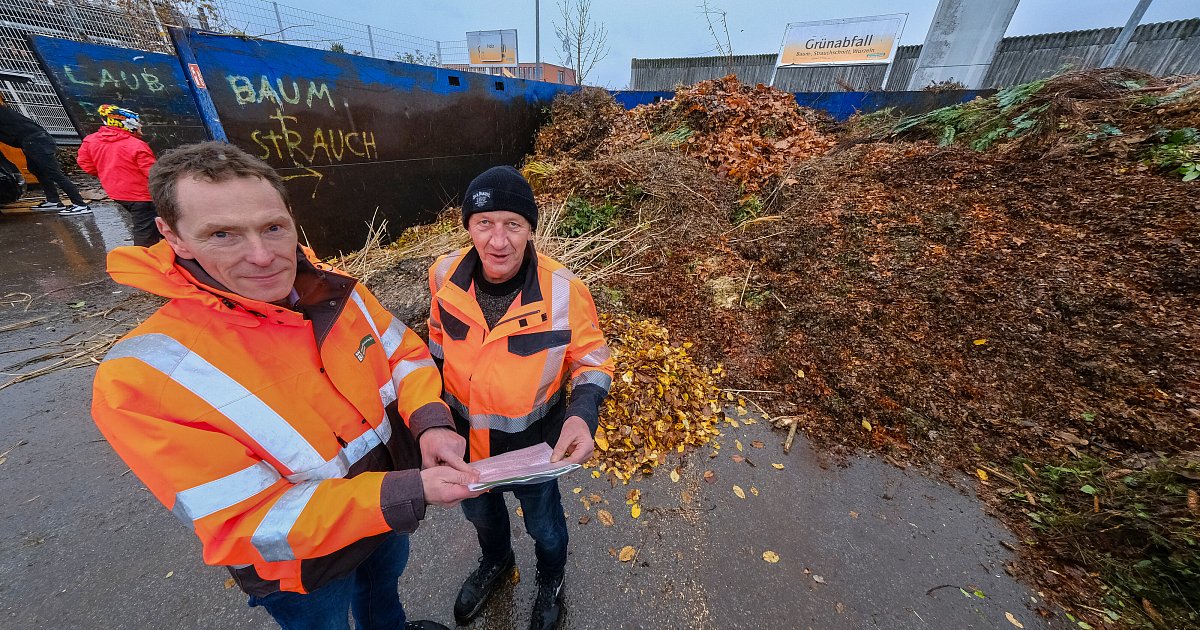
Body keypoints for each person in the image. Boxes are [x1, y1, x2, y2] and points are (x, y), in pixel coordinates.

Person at [91, 141, 482, 630]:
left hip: (387, 514)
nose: (262, 256)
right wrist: (402, 492)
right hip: (304, 570)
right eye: (223, 235)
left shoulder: (339, 292)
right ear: (173, 237)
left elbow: (402, 354)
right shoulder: (142, 376)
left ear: (291, 217)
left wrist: (429, 422)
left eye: (273, 228)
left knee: (384, 595)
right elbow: (243, 521)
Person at [428, 166, 614, 630]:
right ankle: (497, 563)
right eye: (484, 223)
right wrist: (430, 419)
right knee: (483, 519)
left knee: (546, 529)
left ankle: (551, 580)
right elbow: (434, 344)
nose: (498, 240)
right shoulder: (442, 275)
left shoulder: (563, 291)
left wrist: (583, 416)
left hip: (535, 449)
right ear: (467, 226)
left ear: (531, 228)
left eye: (513, 224)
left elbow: (593, 360)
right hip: (466, 448)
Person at [77, 105, 161, 246]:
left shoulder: (91, 141)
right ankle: (143, 259)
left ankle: (163, 246)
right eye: (138, 123)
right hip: (142, 196)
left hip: (117, 193)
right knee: (145, 230)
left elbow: (86, 164)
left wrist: (107, 173)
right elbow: (153, 173)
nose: (141, 126)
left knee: (148, 222)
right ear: (128, 124)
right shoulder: (136, 146)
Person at [0, 104, 91, 215]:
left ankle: (80, 205)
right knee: (37, 170)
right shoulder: (4, 111)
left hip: (36, 141)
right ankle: (53, 201)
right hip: (32, 141)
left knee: (54, 173)